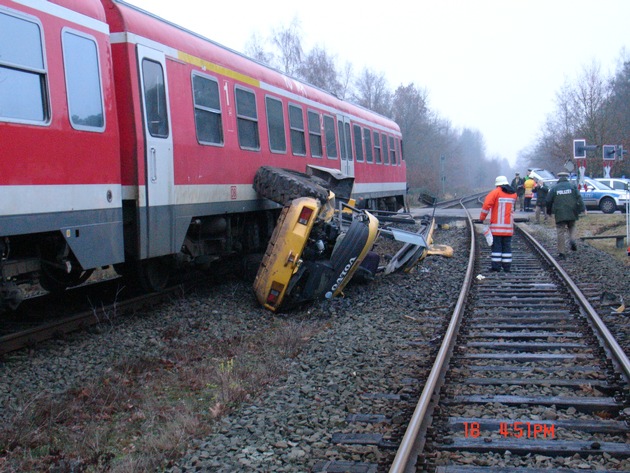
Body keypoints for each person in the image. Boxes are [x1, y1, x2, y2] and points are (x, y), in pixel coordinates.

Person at [480, 175, 517, 272]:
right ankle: (507, 267)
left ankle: (496, 267)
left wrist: (482, 218)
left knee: (497, 248)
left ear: (497, 185)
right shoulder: (513, 194)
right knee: (507, 247)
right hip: (508, 227)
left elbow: (486, 205)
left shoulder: (495, 192)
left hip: (497, 227)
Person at [546, 171, 586, 259]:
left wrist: (549, 212)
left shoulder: (554, 188)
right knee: (571, 227)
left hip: (560, 213)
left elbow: (548, 201)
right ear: (567, 177)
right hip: (572, 211)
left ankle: (562, 252)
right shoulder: (573, 186)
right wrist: (583, 209)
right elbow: (579, 197)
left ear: (559, 177)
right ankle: (572, 240)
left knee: (560, 231)